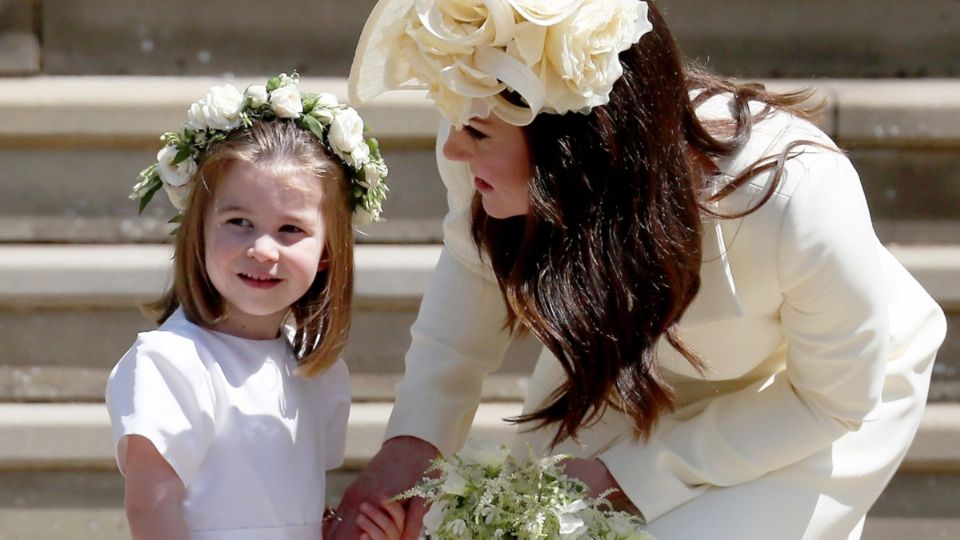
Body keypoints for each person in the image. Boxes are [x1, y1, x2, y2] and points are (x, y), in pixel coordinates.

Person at [332, 1, 949, 539]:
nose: (452, 151)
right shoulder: (488, 135)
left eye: (474, 131)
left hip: (810, 397)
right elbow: (471, 281)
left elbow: (832, 401)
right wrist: (412, 444)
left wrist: (632, 473)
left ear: (576, 145)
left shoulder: (797, 197)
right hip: (635, 354)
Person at [104, 74, 399, 540]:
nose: (263, 249)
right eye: (239, 222)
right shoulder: (171, 363)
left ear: (328, 251)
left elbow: (287, 510)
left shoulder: (312, 370)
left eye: (290, 230)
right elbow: (151, 511)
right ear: (198, 231)